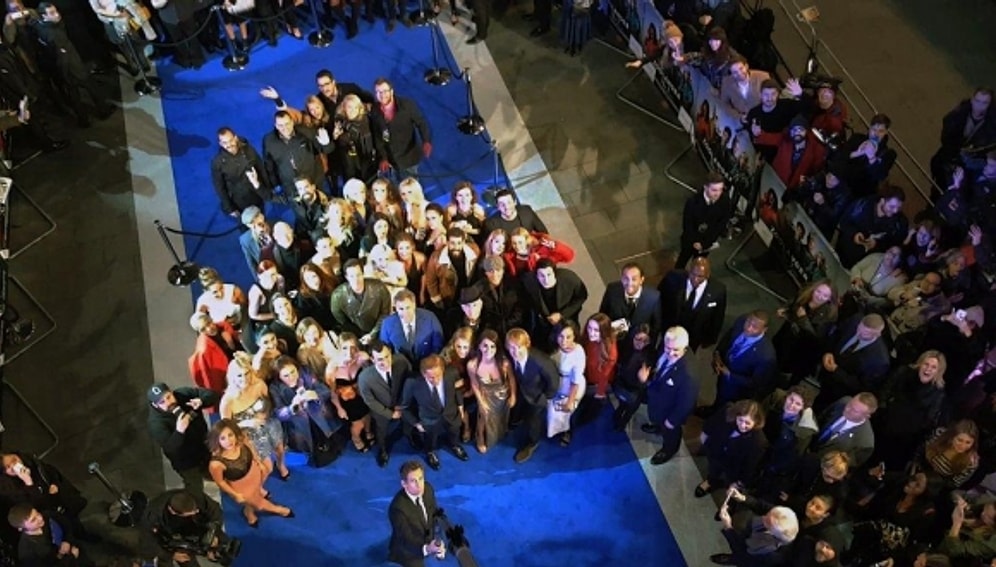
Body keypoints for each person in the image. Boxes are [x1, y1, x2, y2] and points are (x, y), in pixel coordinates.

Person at [33, 3, 115, 128]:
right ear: (44, 16)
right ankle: (103, 110)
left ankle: (83, 119)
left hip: (62, 67)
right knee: (89, 87)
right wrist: (67, 73)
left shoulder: (40, 26)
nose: (57, 15)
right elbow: (63, 56)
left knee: (74, 95)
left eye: (56, 11)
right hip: (72, 66)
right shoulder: (55, 34)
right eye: (52, 13)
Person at [207, 420, 293, 527]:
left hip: (255, 473)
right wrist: (235, 495)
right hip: (242, 487)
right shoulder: (216, 464)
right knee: (259, 505)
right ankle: (280, 510)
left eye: (230, 435)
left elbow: (250, 448)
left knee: (255, 496)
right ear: (217, 440)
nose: (228, 441)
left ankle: (248, 512)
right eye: (223, 438)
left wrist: (258, 461)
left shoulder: (241, 439)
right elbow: (220, 482)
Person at [219, 355, 291, 480]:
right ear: (232, 377)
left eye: (247, 373)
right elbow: (226, 427)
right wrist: (247, 423)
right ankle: (257, 489)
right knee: (266, 467)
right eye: (239, 375)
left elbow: (268, 402)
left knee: (280, 449)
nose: (244, 379)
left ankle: (281, 465)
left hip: (267, 422)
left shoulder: (259, 384)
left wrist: (265, 413)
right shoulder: (228, 400)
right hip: (248, 434)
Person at [146, 382, 220, 497]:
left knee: (215, 470)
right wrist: (179, 431)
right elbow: (170, 449)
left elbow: (213, 395)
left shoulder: (183, 394)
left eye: (168, 396)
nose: (168, 402)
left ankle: (216, 478)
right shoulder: (156, 424)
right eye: (162, 402)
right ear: (155, 405)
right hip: (187, 463)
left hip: (204, 447)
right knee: (195, 490)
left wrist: (202, 401)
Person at [0, 452, 92, 543]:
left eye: (14, 460)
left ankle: (82, 535)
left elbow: (51, 472)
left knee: (73, 519)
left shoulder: (33, 463)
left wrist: (54, 484)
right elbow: (34, 506)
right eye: (8, 467)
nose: (14, 466)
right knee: (62, 530)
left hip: (59, 500)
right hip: (47, 513)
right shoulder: (9, 490)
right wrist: (28, 482)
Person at [640, 326, 699, 465]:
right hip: (659, 401)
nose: (670, 353)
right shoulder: (666, 346)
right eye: (668, 348)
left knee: (671, 432)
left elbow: (686, 403)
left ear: (685, 347)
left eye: (675, 350)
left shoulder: (688, 374)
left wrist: (672, 421)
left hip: (671, 411)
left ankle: (669, 449)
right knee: (660, 422)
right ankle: (658, 426)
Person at [402, 354, 470, 471]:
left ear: (443, 370)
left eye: (438, 376)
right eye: (431, 377)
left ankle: (455, 445)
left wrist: (460, 406)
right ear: (423, 374)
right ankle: (430, 452)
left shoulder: (451, 374)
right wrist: (416, 424)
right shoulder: (413, 384)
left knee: (454, 432)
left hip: (451, 414)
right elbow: (405, 407)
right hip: (429, 420)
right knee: (430, 440)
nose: (436, 380)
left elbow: (457, 390)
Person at [270, 356, 340, 462]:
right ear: (279, 377)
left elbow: (325, 390)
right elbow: (278, 414)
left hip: (318, 415)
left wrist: (315, 394)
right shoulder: (274, 388)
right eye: (286, 376)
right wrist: (291, 408)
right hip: (298, 424)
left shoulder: (306, 373)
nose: (291, 377)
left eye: (293, 372)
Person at [814, 314, 891, 408]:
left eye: (866, 334)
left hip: (839, 391)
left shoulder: (879, 360)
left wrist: (836, 370)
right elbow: (836, 335)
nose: (859, 334)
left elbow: (862, 386)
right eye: (859, 329)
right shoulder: (854, 320)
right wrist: (828, 351)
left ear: (878, 334)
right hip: (825, 375)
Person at [706, 310, 777, 412]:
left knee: (727, 409)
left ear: (764, 329)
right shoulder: (741, 321)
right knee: (719, 397)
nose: (748, 328)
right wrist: (717, 353)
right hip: (722, 376)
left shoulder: (766, 356)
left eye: (754, 327)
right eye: (748, 322)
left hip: (737, 390)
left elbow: (756, 383)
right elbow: (728, 338)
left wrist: (729, 375)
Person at [506, 328, 559, 464]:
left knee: (533, 421)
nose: (515, 352)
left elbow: (553, 382)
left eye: (519, 347)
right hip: (523, 392)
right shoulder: (511, 358)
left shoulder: (542, 362)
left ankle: (532, 443)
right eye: (511, 348)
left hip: (537, 397)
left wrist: (544, 398)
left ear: (527, 344)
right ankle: (516, 421)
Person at [697, 399, 769, 498]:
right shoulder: (727, 412)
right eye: (740, 420)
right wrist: (705, 436)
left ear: (756, 422)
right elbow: (711, 424)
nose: (743, 426)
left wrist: (739, 482)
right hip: (717, 449)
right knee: (714, 468)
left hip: (735, 463)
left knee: (731, 480)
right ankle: (710, 481)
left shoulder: (758, 442)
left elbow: (749, 465)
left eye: (748, 423)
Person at [771, 279, 838, 383]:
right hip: (788, 335)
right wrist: (785, 309)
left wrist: (803, 319)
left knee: (786, 373)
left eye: (825, 295)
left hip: (802, 350)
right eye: (818, 291)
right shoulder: (805, 294)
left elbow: (815, 338)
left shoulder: (829, 315)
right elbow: (794, 302)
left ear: (829, 299)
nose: (819, 297)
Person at [359, 340, 412, 468]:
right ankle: (382, 450)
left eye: (387, 356)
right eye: (380, 359)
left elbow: (410, 382)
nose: (385, 362)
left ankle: (410, 436)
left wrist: (402, 403)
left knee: (408, 422)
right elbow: (369, 401)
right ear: (372, 359)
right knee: (381, 431)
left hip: (402, 404)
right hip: (381, 411)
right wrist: (389, 414)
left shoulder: (401, 362)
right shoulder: (365, 378)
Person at [657, 257, 727, 353]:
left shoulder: (717, 290)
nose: (695, 279)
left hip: (694, 337)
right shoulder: (673, 277)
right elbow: (659, 298)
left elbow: (718, 316)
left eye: (700, 276)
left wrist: (710, 339)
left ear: (707, 275)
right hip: (670, 329)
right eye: (693, 274)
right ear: (689, 271)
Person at [140, 489, 227, 567]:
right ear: (173, 511)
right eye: (191, 512)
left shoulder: (196, 497)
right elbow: (148, 542)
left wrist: (212, 533)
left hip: (195, 525)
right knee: (180, 559)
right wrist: (171, 554)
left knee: (221, 542)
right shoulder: (152, 517)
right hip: (166, 536)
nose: (196, 511)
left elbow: (215, 512)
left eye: (196, 510)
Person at [521, 260, 588, 353]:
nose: (546, 280)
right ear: (536, 276)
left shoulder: (569, 279)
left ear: (555, 273)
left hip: (567, 317)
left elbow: (582, 296)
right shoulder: (529, 282)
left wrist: (562, 315)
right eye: (542, 276)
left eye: (549, 274)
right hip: (544, 320)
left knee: (570, 343)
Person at [835, 185, 909, 269]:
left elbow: (894, 245)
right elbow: (844, 221)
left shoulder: (899, 223)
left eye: (898, 208)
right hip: (841, 252)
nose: (895, 211)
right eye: (892, 207)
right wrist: (854, 233)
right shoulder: (862, 205)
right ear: (882, 200)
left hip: (862, 266)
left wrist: (877, 244)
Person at [371, 78, 431, 181]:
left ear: (392, 91)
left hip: (408, 157)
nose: (382, 95)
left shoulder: (407, 105)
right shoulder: (375, 110)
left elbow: (421, 123)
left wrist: (426, 141)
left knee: (410, 188)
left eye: (385, 91)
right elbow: (377, 136)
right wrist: (383, 157)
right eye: (378, 92)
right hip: (390, 161)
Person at [388, 460, 445, 567]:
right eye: (413, 481)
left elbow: (434, 516)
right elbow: (406, 538)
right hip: (407, 550)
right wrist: (427, 548)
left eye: (421, 478)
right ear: (404, 484)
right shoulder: (397, 509)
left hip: (425, 537)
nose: (419, 485)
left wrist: (438, 541)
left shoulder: (428, 489)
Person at [262, 110, 333, 195]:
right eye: (281, 125)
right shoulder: (268, 141)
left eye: (287, 123)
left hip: (313, 181)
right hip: (291, 186)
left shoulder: (306, 132)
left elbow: (326, 150)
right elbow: (269, 165)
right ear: (276, 126)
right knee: (299, 208)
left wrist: (326, 144)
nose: (285, 128)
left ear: (292, 122)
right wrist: (275, 184)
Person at [467, 329, 515, 454]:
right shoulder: (472, 365)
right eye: (485, 346)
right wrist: (481, 401)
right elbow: (475, 384)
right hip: (485, 396)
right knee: (483, 416)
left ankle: (499, 434)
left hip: (503, 396)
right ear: (479, 346)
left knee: (501, 417)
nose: (489, 350)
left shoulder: (504, 363)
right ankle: (480, 438)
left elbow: (511, 380)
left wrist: (513, 396)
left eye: (492, 346)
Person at [327, 333, 375, 453]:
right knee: (357, 425)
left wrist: (368, 359)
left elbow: (372, 373)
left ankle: (368, 432)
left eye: (352, 348)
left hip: (362, 395)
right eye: (344, 348)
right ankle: (356, 438)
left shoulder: (360, 359)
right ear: (338, 348)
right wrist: (339, 408)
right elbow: (332, 392)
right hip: (347, 401)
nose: (349, 352)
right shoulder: (332, 368)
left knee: (367, 416)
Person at [675, 172, 732, 270]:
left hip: (707, 242)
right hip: (690, 241)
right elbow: (687, 224)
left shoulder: (725, 200)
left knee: (699, 264)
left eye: (720, 190)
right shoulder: (693, 202)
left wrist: (706, 243)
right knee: (682, 261)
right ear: (706, 187)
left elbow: (721, 223)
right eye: (714, 190)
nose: (717, 193)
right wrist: (694, 242)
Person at [832, 113, 898, 197]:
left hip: (860, 194)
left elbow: (880, 175)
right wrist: (857, 153)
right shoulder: (857, 138)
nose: (876, 134)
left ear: (886, 132)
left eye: (881, 131)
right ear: (869, 128)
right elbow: (841, 156)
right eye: (874, 130)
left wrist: (871, 157)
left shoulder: (888, 154)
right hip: (841, 184)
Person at [211, 127, 271, 219]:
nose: (229, 145)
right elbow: (220, 187)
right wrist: (229, 208)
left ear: (235, 138)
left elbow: (260, 168)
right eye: (224, 143)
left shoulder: (248, 150)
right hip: (239, 203)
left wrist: (267, 190)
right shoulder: (217, 162)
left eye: (230, 140)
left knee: (262, 219)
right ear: (220, 144)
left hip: (256, 195)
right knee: (246, 227)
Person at [330, 258, 393, 345]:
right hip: (356, 335)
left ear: (363, 274)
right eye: (352, 276)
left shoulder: (379, 288)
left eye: (358, 275)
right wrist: (358, 336)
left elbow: (385, 313)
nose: (356, 279)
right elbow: (342, 321)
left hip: (380, 330)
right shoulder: (338, 296)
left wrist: (372, 334)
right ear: (346, 277)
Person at [7, 504, 93, 567]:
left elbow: (66, 524)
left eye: (37, 513)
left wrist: (67, 540)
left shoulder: (48, 515)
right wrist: (71, 557)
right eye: (33, 520)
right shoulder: (26, 552)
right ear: (21, 528)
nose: (40, 518)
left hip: (75, 549)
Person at [598, 262, 662, 346]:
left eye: (634, 279)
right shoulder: (612, 290)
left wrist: (647, 337)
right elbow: (603, 314)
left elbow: (656, 325)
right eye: (626, 278)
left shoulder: (653, 297)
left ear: (641, 280)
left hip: (636, 343)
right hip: (614, 340)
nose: (629, 283)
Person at [380, 289, 445, 367]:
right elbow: (385, 350)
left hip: (427, 366)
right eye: (401, 309)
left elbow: (438, 345)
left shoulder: (430, 318)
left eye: (408, 307)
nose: (405, 313)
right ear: (395, 308)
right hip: (401, 368)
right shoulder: (387, 324)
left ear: (414, 305)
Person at [810, 393, 877, 468]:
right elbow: (822, 417)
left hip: (819, 466)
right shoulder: (844, 401)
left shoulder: (865, 444)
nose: (847, 409)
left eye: (854, 411)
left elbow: (843, 468)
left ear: (866, 416)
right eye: (850, 404)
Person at [549, 321, 585, 446]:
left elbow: (575, 381)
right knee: (554, 411)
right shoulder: (555, 347)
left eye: (568, 337)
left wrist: (570, 400)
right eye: (561, 336)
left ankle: (567, 432)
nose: (564, 341)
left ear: (574, 336)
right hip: (556, 382)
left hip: (568, 386)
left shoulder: (578, 353)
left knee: (567, 413)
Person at [187, 312, 238, 398]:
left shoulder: (224, 326)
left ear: (211, 320)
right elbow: (210, 378)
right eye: (203, 329)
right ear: (200, 332)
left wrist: (231, 343)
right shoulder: (204, 349)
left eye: (209, 323)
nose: (209, 329)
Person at [771, 115, 827, 190]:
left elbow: (817, 170)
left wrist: (808, 179)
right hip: (777, 181)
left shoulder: (816, 149)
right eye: (794, 129)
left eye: (800, 129)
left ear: (806, 131)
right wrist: (757, 133)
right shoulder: (785, 140)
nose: (797, 132)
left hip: (796, 188)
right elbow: (769, 138)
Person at [503, 227, 574, 277]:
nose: (517, 246)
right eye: (514, 243)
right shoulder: (511, 257)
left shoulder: (542, 249)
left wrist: (556, 247)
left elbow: (569, 256)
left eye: (520, 242)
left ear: (526, 240)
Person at [719, 55, 771, 121]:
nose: (739, 73)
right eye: (735, 72)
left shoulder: (763, 77)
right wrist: (738, 116)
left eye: (741, 69)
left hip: (764, 115)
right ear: (731, 74)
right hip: (742, 119)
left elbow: (772, 98)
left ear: (746, 66)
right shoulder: (726, 83)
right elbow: (724, 103)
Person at [483, 188, 548, 237]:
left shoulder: (526, 211)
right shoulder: (491, 224)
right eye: (502, 204)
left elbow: (543, 233)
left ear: (515, 202)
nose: (506, 207)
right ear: (498, 206)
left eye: (509, 202)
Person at [238, 206, 275, 279]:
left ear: (262, 216)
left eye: (257, 217)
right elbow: (252, 264)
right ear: (248, 225)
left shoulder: (275, 224)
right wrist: (260, 282)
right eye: (251, 222)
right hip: (269, 273)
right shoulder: (245, 240)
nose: (256, 223)